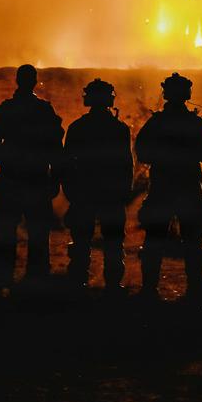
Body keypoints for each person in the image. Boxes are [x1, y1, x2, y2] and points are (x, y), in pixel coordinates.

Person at [0, 64, 64, 299]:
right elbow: (55, 148)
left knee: (4, 234)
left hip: (11, 181)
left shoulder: (6, 110)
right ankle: (35, 282)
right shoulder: (44, 111)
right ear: (35, 81)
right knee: (37, 235)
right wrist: (55, 179)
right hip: (35, 181)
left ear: (17, 81)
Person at [135, 72, 202, 298]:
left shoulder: (157, 123)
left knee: (154, 240)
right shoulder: (194, 123)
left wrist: (163, 155)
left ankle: (149, 290)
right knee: (193, 240)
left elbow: (142, 151)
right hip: (189, 186)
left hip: (162, 187)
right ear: (187, 94)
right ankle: (195, 288)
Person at [61, 78, 132, 293]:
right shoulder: (119, 129)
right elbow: (126, 165)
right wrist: (123, 193)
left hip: (84, 194)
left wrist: (71, 192)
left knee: (81, 242)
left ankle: (79, 283)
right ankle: (112, 286)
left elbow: (67, 164)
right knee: (113, 243)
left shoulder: (77, 128)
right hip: (110, 194)